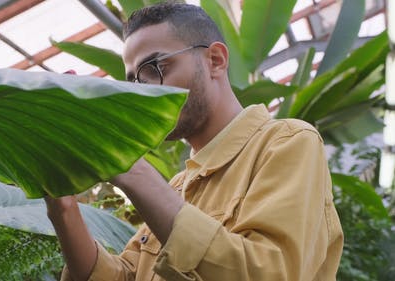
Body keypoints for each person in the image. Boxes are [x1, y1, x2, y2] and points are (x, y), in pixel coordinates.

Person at [44, 2, 344, 281]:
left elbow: (271, 273)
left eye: (156, 68)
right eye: (134, 81)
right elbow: (126, 275)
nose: (143, 91)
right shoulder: (176, 187)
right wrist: (63, 206)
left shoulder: (286, 143)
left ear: (215, 60)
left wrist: (129, 167)